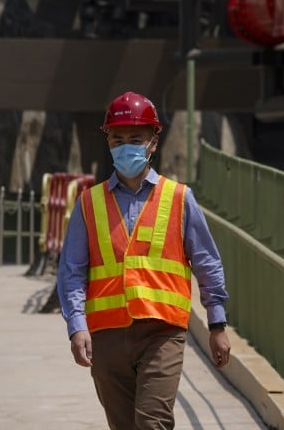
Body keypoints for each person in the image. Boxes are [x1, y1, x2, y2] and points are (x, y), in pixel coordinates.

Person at [57, 91, 231, 429]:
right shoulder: (88, 203)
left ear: (153, 141)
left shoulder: (179, 198)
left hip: (162, 332)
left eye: (135, 138)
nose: (126, 146)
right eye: (117, 138)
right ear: (107, 141)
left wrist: (217, 324)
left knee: (153, 422)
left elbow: (207, 262)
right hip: (107, 336)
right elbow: (72, 272)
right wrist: (77, 326)